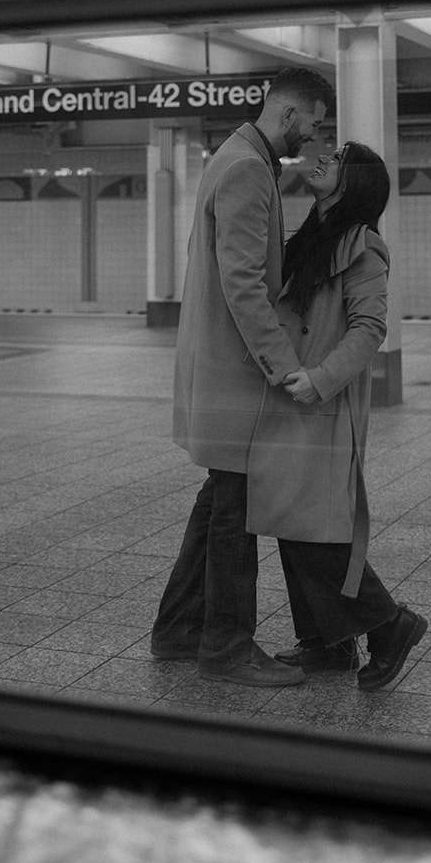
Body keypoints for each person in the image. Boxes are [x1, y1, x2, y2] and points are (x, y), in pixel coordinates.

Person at [151, 65, 335, 687]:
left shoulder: (234, 156)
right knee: (236, 512)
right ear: (288, 113)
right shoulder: (248, 170)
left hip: (221, 367)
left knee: (216, 504)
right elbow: (244, 285)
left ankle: (178, 630)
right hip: (236, 377)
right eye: (312, 124)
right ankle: (226, 647)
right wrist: (288, 370)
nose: (311, 139)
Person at [245, 141, 428, 693]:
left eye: (339, 159)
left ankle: (390, 623)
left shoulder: (364, 248)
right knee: (291, 522)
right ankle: (328, 643)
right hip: (291, 398)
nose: (323, 158)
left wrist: (321, 379)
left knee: (312, 530)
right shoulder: (311, 237)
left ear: (356, 184)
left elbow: (370, 329)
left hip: (322, 404)